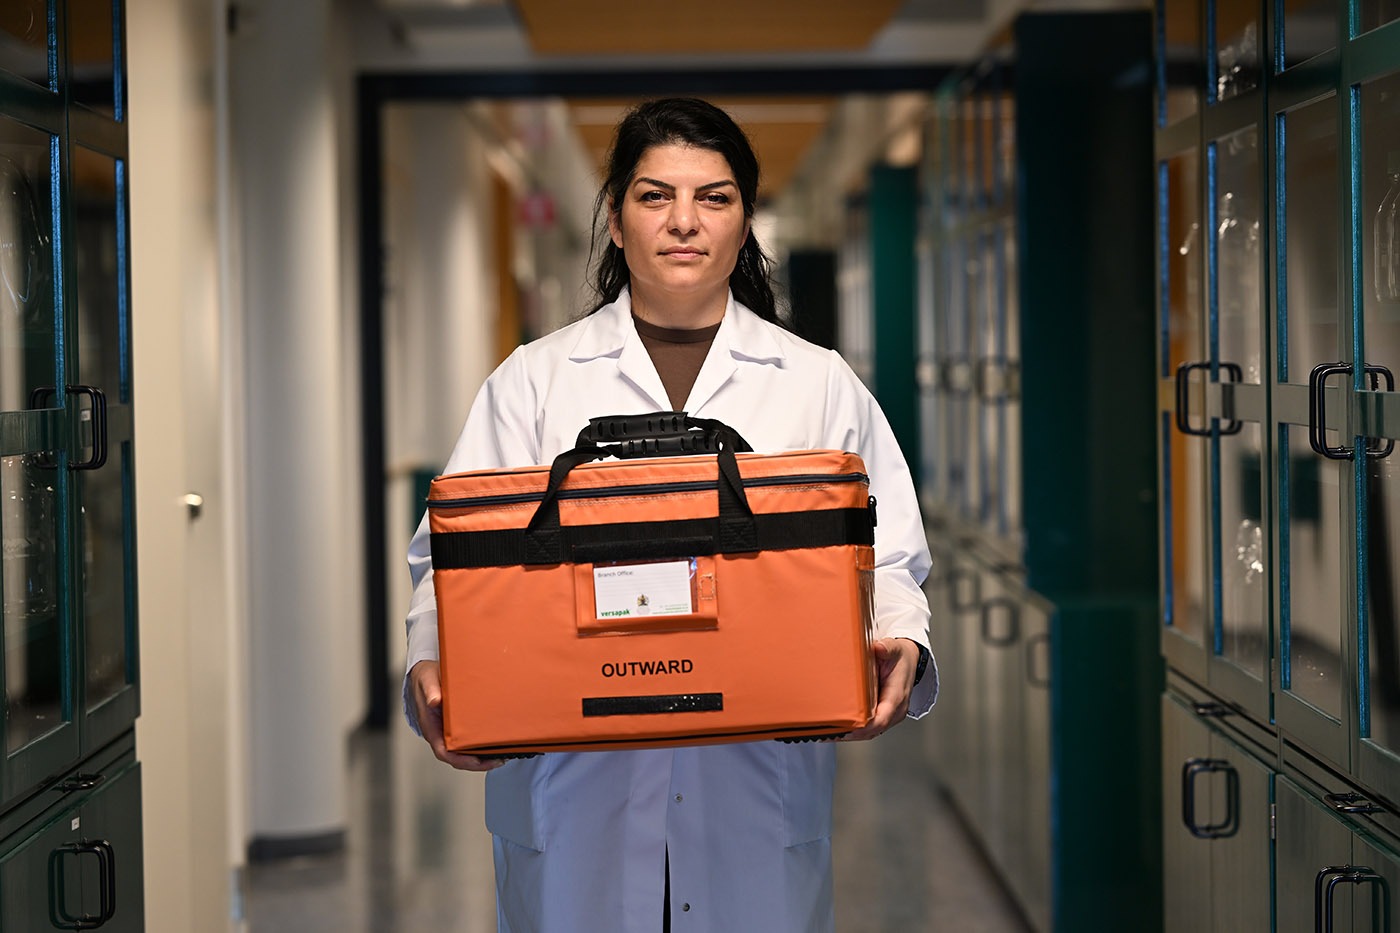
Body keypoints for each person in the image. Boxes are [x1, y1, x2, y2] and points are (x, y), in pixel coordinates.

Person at [403, 97, 937, 933]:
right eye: (655, 196)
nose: (684, 222)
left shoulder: (815, 381)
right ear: (615, 219)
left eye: (714, 198)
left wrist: (900, 634)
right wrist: (432, 665)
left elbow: (891, 552)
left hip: (753, 790)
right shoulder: (533, 383)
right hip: (572, 791)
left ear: (744, 221)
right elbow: (451, 560)